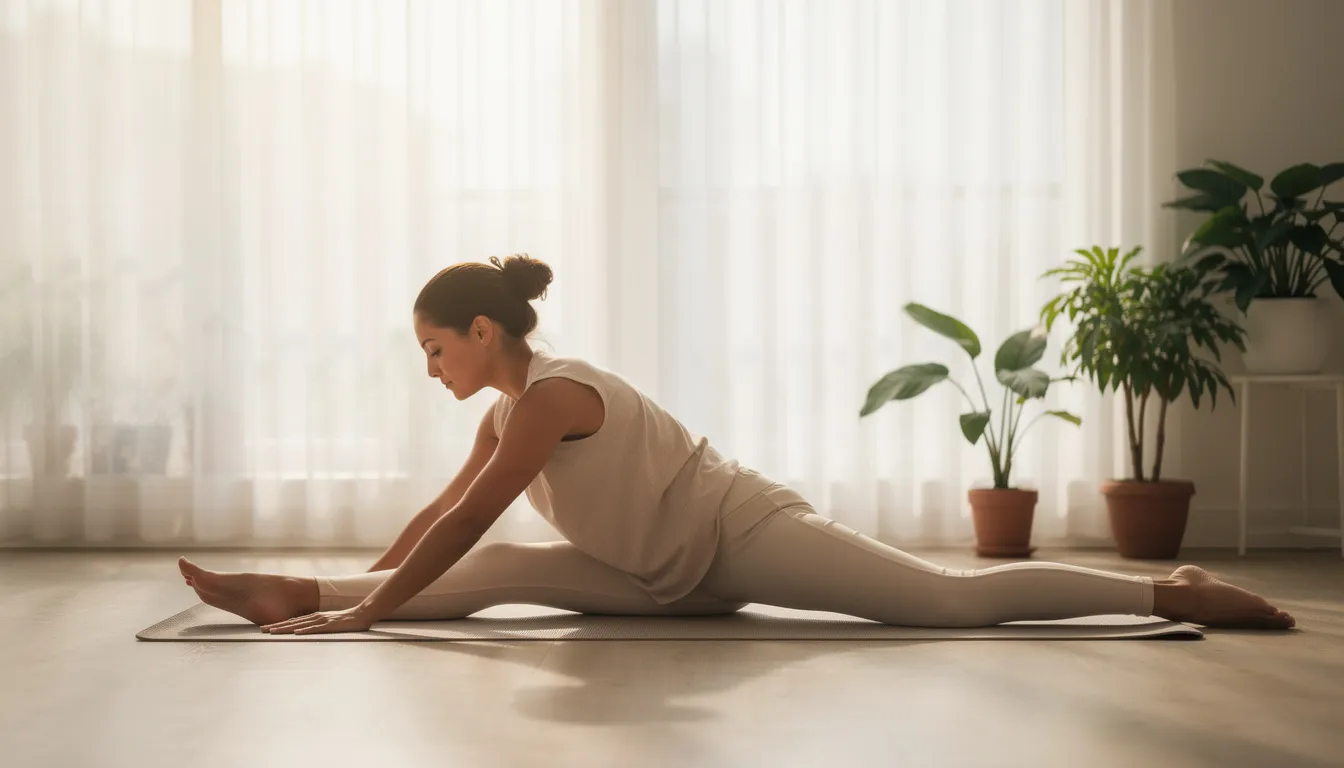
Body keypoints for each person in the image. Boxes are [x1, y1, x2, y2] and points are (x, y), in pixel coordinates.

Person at [179, 254, 1297, 635]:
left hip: (736, 536)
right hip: (653, 575)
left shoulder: (550, 397)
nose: (430, 367)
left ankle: (1167, 590)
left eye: (433, 347)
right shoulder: (497, 416)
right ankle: (288, 589)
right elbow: (443, 516)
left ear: (484, 331)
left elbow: (470, 514)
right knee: (490, 579)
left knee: (946, 602)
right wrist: (359, 583)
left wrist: (376, 609)